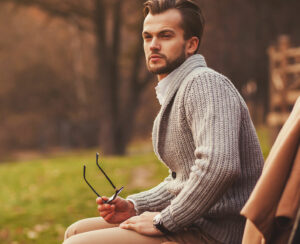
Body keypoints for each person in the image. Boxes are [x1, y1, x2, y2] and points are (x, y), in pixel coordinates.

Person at [63, 0, 264, 243]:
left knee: (78, 243)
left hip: (219, 233)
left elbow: (219, 166)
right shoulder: (178, 90)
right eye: (147, 37)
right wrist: (134, 205)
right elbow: (184, 179)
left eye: (165, 36)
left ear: (191, 44)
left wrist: (165, 221)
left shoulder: (205, 84)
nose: (154, 45)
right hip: (196, 221)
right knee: (75, 231)